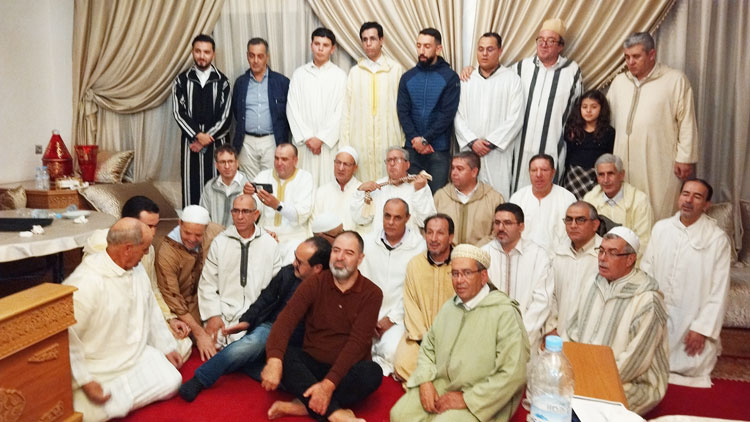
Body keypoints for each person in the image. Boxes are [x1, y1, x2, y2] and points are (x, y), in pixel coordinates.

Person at [178, 237, 332, 402]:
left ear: (317, 268)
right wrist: (247, 321)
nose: (293, 263)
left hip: (300, 343)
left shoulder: (329, 289)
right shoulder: (288, 272)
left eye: (299, 262)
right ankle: (201, 378)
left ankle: (247, 365)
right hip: (272, 328)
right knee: (247, 346)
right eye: (295, 257)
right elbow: (266, 298)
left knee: (300, 379)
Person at [390, 244, 529, 422]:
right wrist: (425, 381)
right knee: (399, 415)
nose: (459, 280)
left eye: (467, 273)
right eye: (455, 273)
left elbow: (513, 373)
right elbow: (428, 347)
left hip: (483, 396)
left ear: (483, 276)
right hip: (443, 384)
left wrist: (467, 399)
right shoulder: (450, 307)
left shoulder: (504, 312)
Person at [65, 218, 183, 422]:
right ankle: (104, 401)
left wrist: (166, 346)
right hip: (99, 367)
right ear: (128, 248)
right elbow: (67, 337)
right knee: (84, 412)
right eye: (144, 250)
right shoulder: (85, 282)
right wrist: (86, 381)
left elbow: (151, 310)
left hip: (135, 356)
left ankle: (115, 402)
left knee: (172, 380)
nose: (146, 254)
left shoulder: (137, 269)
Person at [261, 231, 383, 422]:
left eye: (349, 253)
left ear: (360, 259)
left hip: (346, 370)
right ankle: (336, 414)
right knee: (284, 355)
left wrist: (328, 385)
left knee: (372, 373)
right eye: (336, 250)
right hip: (313, 365)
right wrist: (274, 360)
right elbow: (285, 321)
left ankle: (304, 405)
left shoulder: (372, 293)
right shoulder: (314, 282)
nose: (340, 257)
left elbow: (357, 344)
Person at [565, 226, 668, 415]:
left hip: (629, 380)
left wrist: (592, 383)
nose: (603, 258)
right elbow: (572, 330)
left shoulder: (647, 300)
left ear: (630, 259)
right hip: (585, 374)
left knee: (590, 413)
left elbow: (635, 360)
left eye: (612, 253)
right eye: (601, 251)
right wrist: (573, 370)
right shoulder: (591, 283)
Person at [641, 179, 731, 387]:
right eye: (685, 194)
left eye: (697, 196)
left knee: (691, 365)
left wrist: (702, 329)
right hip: (659, 315)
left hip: (692, 320)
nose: (689, 200)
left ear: (706, 205)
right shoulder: (661, 228)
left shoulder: (716, 239)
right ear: (678, 197)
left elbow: (719, 291)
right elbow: (646, 271)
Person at [83, 196, 193, 361]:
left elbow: (152, 288)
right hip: (112, 324)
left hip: (141, 318)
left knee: (183, 345)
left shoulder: (148, 249)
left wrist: (169, 319)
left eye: (155, 226)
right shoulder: (102, 243)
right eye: (148, 226)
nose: (153, 232)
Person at [608, 32, 699, 220]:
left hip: (659, 160)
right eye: (627, 57)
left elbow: (687, 121)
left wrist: (685, 158)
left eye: (636, 56)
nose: (630, 62)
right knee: (625, 210)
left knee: (657, 209)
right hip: (623, 159)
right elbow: (606, 119)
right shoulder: (619, 82)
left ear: (652, 54)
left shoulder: (674, 80)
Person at [197, 195, 282, 348]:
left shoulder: (269, 244)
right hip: (224, 313)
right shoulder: (220, 242)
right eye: (236, 211)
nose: (240, 216)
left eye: (245, 211)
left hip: (256, 314)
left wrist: (258, 316)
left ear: (256, 214)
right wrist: (213, 315)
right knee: (213, 341)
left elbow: (275, 288)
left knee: (251, 344)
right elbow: (207, 283)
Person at [360, 198, 426, 375]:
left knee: (391, 351)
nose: (390, 222)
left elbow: (415, 291)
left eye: (397, 217)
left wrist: (392, 318)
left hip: (398, 317)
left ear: (407, 218)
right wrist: (368, 316)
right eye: (387, 216)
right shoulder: (367, 242)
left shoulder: (419, 247)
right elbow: (361, 281)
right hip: (366, 314)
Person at [454, 32, 523, 198]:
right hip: (470, 151)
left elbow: (516, 117)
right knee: (468, 197)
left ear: (500, 51)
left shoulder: (512, 79)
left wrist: (490, 143)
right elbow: (457, 114)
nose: (484, 54)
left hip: (497, 153)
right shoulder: (466, 80)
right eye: (481, 49)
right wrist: (472, 141)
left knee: (497, 197)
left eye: (490, 49)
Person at [156, 205, 223, 361]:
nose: (192, 239)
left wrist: (266, 233)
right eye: (187, 233)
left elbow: (238, 236)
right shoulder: (166, 252)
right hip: (184, 306)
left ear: (206, 228)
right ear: (180, 223)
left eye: (198, 235)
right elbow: (172, 298)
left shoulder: (215, 231)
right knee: (211, 340)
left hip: (212, 297)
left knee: (230, 333)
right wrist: (199, 334)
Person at [397, 27, 460, 192]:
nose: (421, 51)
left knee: (436, 198)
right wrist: (416, 140)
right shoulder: (407, 77)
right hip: (412, 150)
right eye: (419, 46)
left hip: (438, 150)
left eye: (427, 46)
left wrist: (425, 140)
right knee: (411, 197)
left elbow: (447, 114)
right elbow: (403, 112)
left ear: (438, 49)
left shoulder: (450, 77)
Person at [482, 203, 552, 350]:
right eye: (497, 223)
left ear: (521, 226)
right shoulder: (483, 255)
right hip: (489, 339)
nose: (501, 228)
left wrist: (520, 336)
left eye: (507, 223)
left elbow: (542, 302)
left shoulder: (538, 256)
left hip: (526, 341)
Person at [340, 22, 404, 182]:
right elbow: (347, 110)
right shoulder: (355, 72)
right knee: (363, 184)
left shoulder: (395, 70)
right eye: (365, 39)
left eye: (373, 39)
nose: (368, 43)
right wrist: (345, 144)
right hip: (360, 139)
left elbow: (403, 108)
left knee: (390, 182)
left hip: (389, 136)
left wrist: (403, 140)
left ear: (381, 40)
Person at [172, 34, 232, 206]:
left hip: (217, 144)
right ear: (192, 52)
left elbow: (226, 116)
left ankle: (217, 222)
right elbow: (178, 113)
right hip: (191, 144)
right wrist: (198, 136)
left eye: (206, 52)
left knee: (218, 189)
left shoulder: (223, 82)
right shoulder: (181, 81)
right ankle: (191, 221)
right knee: (191, 190)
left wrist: (206, 139)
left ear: (213, 54)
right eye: (198, 51)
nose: (202, 56)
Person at [393, 214, 454, 382]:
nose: (433, 238)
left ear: (451, 237)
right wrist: (425, 340)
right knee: (403, 364)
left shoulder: (461, 265)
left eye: (440, 233)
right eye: (429, 232)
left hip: (454, 339)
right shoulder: (415, 264)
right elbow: (411, 304)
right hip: (420, 338)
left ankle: (425, 385)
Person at [287, 27, 347, 187]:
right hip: (304, 145)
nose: (320, 48)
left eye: (325, 45)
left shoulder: (340, 76)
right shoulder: (299, 74)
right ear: (311, 45)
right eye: (317, 44)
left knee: (328, 186)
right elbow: (292, 109)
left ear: (332, 49)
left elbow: (341, 111)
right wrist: (308, 137)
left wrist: (321, 138)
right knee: (303, 185)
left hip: (327, 146)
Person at [231, 37, 290, 179]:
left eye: (260, 56)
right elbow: (237, 112)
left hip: (271, 141)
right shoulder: (240, 83)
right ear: (247, 56)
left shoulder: (282, 82)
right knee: (249, 184)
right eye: (252, 56)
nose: (255, 60)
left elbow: (288, 115)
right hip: (246, 142)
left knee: (272, 182)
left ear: (267, 57)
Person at [247, 143, 314, 264]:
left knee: (294, 257)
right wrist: (247, 195)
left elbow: (301, 215)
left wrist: (278, 205)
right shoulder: (263, 176)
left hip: (294, 237)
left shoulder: (305, 178)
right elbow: (252, 210)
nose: (279, 163)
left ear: (295, 161)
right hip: (266, 234)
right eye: (276, 158)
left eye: (284, 159)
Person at [546, 201, 601, 339]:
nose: (573, 225)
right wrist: (551, 327)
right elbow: (550, 294)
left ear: (595, 224)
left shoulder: (605, 254)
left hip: (594, 337)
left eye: (580, 220)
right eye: (569, 220)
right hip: (558, 335)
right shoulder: (557, 253)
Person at [351, 146, 436, 234]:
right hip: (380, 240)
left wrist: (419, 191)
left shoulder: (419, 184)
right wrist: (360, 192)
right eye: (389, 160)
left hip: (408, 241)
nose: (391, 164)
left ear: (407, 164)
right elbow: (360, 219)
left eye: (396, 160)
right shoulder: (377, 186)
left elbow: (426, 222)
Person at [583, 153, 654, 258]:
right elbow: (585, 238)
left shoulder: (639, 200)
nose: (606, 180)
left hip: (628, 261)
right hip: (596, 259)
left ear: (621, 175)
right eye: (601, 175)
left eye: (610, 173)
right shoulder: (589, 199)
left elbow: (643, 241)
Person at [433, 151, 504, 246]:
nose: (454, 173)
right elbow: (428, 229)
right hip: (447, 253)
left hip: (481, 253)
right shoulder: (441, 196)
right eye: (453, 168)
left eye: (459, 169)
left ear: (474, 172)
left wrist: (475, 251)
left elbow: (498, 232)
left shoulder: (494, 199)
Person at [508, 154, 575, 251]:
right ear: (529, 172)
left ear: (553, 172)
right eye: (534, 170)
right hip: (522, 255)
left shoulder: (567, 198)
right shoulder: (518, 198)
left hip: (558, 256)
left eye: (544, 170)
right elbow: (510, 232)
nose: (538, 175)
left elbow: (572, 234)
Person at [562, 90, 615, 199]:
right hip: (573, 176)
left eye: (593, 107)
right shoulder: (573, 130)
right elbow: (566, 156)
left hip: (595, 177)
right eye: (584, 107)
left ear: (601, 109)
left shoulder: (608, 132)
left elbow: (609, 157)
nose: (588, 111)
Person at [199, 144, 250, 226]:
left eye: (230, 161)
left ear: (237, 163)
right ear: (216, 165)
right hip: (214, 232)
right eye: (222, 162)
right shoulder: (210, 186)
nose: (227, 166)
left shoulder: (248, 186)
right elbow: (203, 214)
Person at [312, 146, 361, 231]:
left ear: (355, 168)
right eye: (338, 162)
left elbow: (365, 226)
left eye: (346, 164)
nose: (341, 168)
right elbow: (314, 223)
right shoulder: (322, 191)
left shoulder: (361, 191)